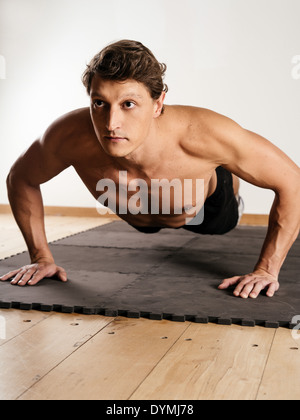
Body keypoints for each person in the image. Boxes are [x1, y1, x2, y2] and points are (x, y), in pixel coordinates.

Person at [1, 40, 299, 299]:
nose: (111, 123)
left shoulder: (206, 134)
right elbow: (21, 178)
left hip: (208, 211)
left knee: (209, 190)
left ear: (157, 104)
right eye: (99, 103)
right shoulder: (69, 136)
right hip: (140, 216)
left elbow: (293, 182)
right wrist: (41, 257)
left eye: (128, 103)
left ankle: (227, 178)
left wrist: (266, 270)